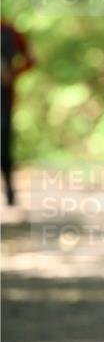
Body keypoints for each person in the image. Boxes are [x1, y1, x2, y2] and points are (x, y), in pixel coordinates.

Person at [1, 19, 35, 206]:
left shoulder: (10, 31)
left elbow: (30, 60)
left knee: (4, 143)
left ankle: (9, 190)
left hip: (3, 97)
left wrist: (12, 73)